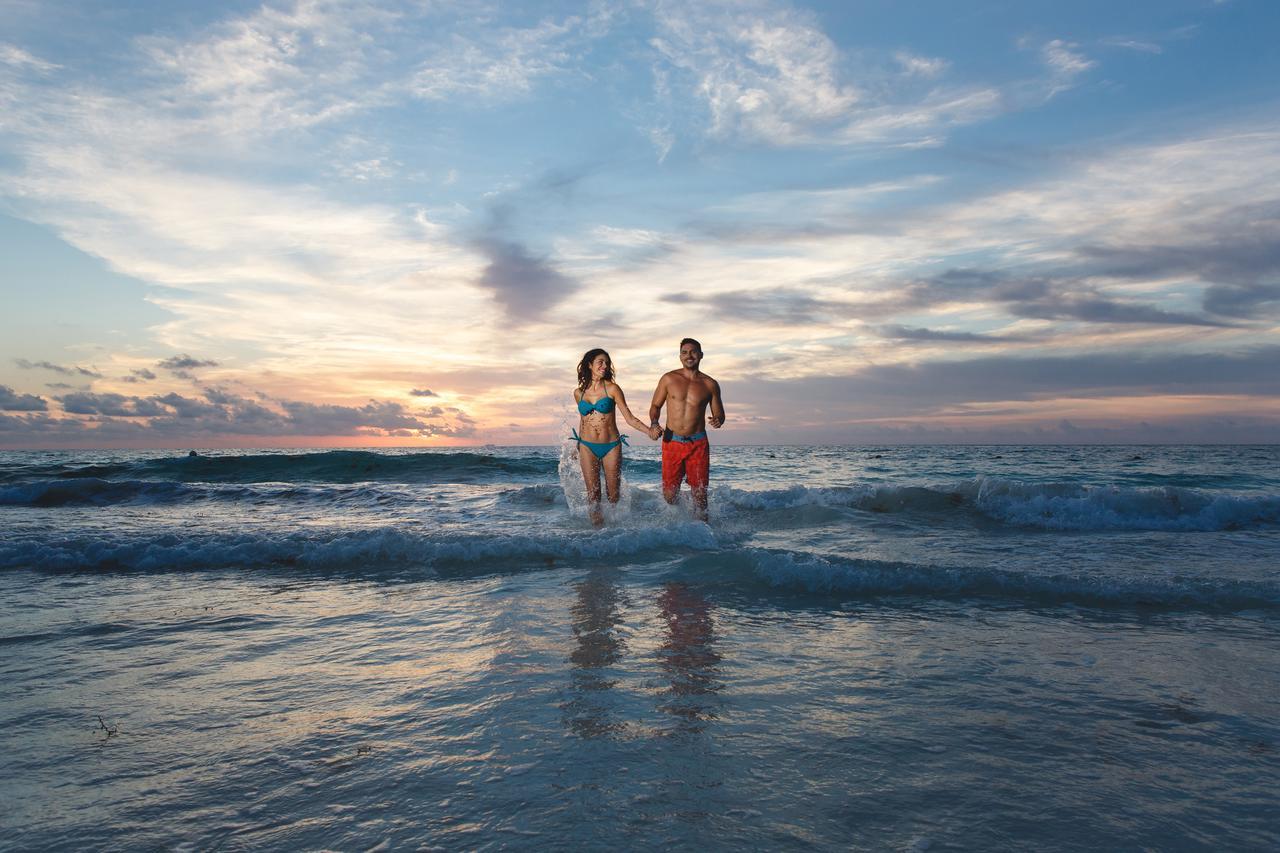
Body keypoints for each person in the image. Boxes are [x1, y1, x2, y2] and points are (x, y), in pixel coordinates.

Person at [571, 348, 662, 526]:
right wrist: (578, 447)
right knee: (593, 495)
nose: (605, 366)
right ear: (590, 365)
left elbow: (629, 418)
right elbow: (583, 421)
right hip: (587, 447)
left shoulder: (612, 389)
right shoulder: (578, 393)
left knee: (613, 495)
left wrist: (649, 431)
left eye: (607, 362)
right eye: (600, 362)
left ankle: (614, 530)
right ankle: (598, 533)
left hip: (611, 446)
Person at [648, 338, 725, 522]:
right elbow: (655, 405)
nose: (689, 356)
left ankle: (703, 533)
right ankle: (682, 521)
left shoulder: (710, 384)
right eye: (684, 352)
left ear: (701, 355)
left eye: (693, 352)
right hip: (671, 441)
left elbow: (720, 414)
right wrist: (654, 422)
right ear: (680, 356)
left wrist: (718, 420)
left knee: (700, 496)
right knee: (669, 496)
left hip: (697, 443)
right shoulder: (668, 379)